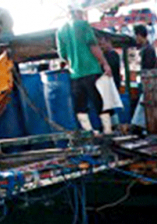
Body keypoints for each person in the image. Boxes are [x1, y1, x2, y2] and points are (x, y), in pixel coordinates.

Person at [56, 5, 114, 134]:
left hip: (75, 75)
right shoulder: (83, 25)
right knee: (101, 103)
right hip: (92, 71)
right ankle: (107, 131)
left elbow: (63, 55)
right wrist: (105, 64)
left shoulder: (60, 31)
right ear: (77, 12)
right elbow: (93, 46)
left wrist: (74, 64)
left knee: (80, 107)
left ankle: (89, 132)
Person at [131, 24, 157, 132]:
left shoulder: (147, 50)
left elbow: (147, 69)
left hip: (148, 83)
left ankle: (141, 128)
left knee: (143, 108)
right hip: (149, 82)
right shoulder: (148, 48)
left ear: (139, 35)